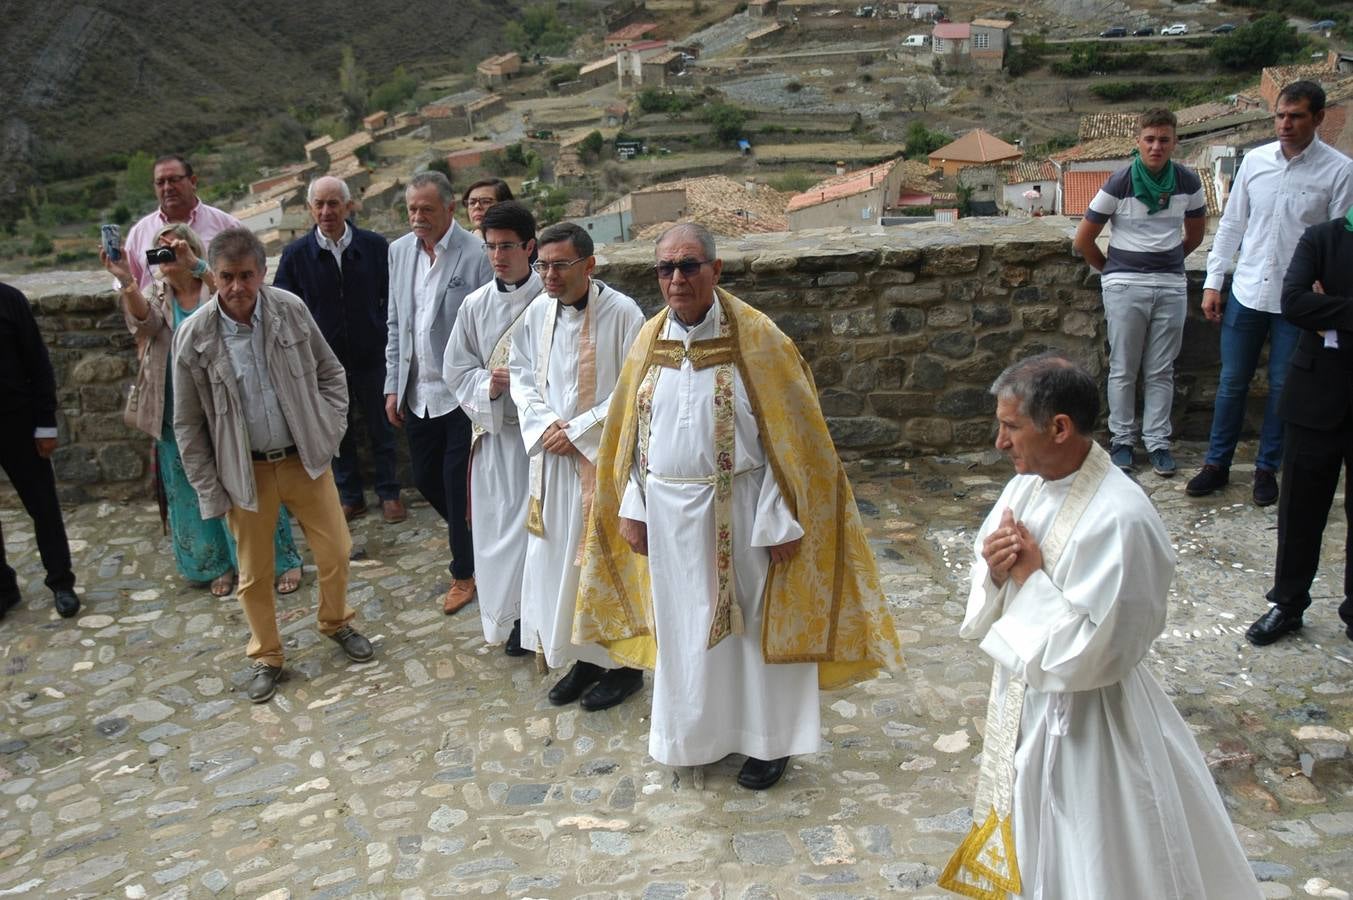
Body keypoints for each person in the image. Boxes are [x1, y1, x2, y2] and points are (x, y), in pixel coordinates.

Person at [575, 224, 902, 789]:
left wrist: (780, 518)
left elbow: (795, 442)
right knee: (685, 632)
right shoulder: (647, 343)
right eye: (666, 268)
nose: (677, 278)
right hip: (670, 519)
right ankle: (696, 735)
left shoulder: (759, 339)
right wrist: (633, 506)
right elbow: (629, 438)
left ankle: (770, 744)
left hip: (746, 514)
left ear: (716, 269)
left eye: (690, 265)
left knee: (752, 632)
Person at [938, 353, 1261, 900]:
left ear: (1059, 428)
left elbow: (1104, 648)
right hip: (1026, 704)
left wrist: (1032, 579)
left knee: (1095, 855)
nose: (999, 442)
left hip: (1093, 725)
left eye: (1011, 427)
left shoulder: (1122, 519)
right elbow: (989, 570)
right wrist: (994, 570)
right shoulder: (1028, 485)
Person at [173, 228, 375, 704]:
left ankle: (336, 622)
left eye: (247, 275)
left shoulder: (289, 310)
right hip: (245, 471)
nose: (238, 287)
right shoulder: (194, 337)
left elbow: (331, 372)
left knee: (336, 552)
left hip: (304, 459)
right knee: (254, 573)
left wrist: (328, 429)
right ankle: (267, 655)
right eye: (227, 277)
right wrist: (210, 488)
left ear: (262, 272)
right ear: (212, 275)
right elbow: (187, 425)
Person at [103, 223, 302, 598]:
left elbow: (237, 294)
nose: (165, 257)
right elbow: (143, 324)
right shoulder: (156, 294)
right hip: (176, 405)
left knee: (250, 482)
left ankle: (279, 561)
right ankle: (215, 564)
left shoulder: (214, 284)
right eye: (158, 251)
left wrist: (195, 264)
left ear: (191, 249)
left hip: (226, 404)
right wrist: (126, 280)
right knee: (191, 490)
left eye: (171, 249)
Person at [1188, 80, 1353, 506]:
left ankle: (1267, 468)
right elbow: (1232, 225)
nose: (1285, 124)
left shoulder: (1339, 171)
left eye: (1296, 116)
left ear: (1317, 118)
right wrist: (1213, 282)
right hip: (1247, 290)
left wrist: (1326, 291)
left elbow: (1340, 239)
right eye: (1280, 115)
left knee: (1284, 387)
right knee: (1231, 383)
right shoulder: (1255, 162)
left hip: (1296, 302)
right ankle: (1216, 464)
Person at [508, 222, 645, 710]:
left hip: (600, 462)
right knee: (563, 563)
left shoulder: (624, 313)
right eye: (542, 265)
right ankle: (585, 659)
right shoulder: (538, 313)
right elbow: (520, 373)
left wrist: (581, 430)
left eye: (560, 265)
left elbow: (636, 385)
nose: (549, 275)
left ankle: (624, 667)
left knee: (604, 561)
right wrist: (544, 424)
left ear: (589, 264)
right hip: (553, 461)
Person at [1073, 107, 1206, 477]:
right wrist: (1113, 270)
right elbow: (1084, 239)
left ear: (1175, 142)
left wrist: (1167, 261)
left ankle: (1159, 443)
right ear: (1138, 142)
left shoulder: (1187, 182)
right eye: (1149, 139)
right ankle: (1122, 441)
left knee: (1161, 368)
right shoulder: (1120, 182)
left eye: (1164, 139)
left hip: (1170, 285)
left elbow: (1195, 234)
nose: (1156, 146)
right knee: (1124, 366)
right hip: (1125, 284)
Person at [385, 171, 494, 615]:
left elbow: (489, 322)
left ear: (450, 208)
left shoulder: (476, 254)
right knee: (427, 479)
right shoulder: (398, 253)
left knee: (455, 481)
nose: (418, 218)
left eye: (427, 209)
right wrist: (393, 385)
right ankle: (481, 540)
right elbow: (397, 323)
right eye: (412, 209)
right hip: (418, 391)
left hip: (461, 392)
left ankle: (464, 572)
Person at [1245, 210, 1353, 646]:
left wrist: (1330, 308)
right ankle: (1288, 604)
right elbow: (1294, 303)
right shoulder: (1322, 239)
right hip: (1315, 396)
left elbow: (1314, 307)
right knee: (1300, 510)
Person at [274, 176, 406, 525]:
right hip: (322, 363)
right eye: (319, 204)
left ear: (348, 206)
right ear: (309, 209)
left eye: (333, 203)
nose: (326, 211)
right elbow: (283, 308)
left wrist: (377, 328)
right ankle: (350, 496)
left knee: (381, 428)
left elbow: (393, 297)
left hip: (372, 356)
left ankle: (389, 493)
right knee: (335, 433)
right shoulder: (296, 255)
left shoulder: (376, 247)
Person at [443, 201, 542, 656]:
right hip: (499, 439)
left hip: (543, 441)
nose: (498, 257)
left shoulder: (553, 299)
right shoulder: (475, 305)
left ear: (530, 246)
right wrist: (491, 384)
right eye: (490, 248)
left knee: (544, 530)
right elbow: (456, 370)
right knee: (501, 531)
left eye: (507, 246)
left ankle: (543, 617)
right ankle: (513, 618)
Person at [0, 282, 79, 621]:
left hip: (17, 422)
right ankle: (3, 590)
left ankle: (61, 582)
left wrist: (45, 424)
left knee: (43, 507)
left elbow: (38, 363)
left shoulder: (9, 300)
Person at [123, 155, 242, 290]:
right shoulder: (139, 234)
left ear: (193, 181)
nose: (167, 187)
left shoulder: (227, 226)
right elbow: (129, 288)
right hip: (159, 310)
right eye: (160, 182)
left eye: (174, 180)